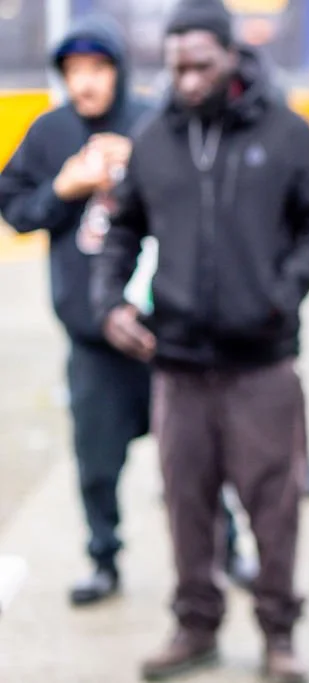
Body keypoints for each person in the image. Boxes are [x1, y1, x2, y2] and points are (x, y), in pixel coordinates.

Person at [91, 0, 309, 680]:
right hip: (177, 365)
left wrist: (280, 290)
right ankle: (195, 627)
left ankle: (279, 633)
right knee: (186, 506)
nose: (187, 79)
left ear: (232, 57)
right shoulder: (154, 138)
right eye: (176, 67)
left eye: (201, 65)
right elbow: (122, 229)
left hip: (261, 363)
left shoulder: (287, 133)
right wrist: (111, 303)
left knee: (274, 508)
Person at [0, 14, 153, 608]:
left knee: (196, 458)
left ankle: (222, 551)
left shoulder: (152, 122)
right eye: (73, 70)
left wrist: (135, 164)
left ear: (119, 70)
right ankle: (103, 558)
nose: (84, 82)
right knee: (96, 463)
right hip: (91, 336)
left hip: (163, 329)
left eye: (97, 68)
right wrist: (63, 188)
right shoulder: (50, 132)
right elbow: (16, 211)